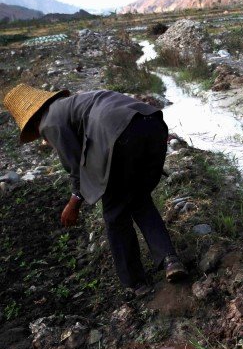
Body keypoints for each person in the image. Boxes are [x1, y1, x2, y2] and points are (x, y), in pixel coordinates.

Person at [3, 84, 187, 296]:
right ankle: (170, 260)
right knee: (139, 199)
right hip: (151, 123)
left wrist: (74, 203)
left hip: (119, 134)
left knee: (114, 214)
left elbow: (76, 168)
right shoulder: (71, 105)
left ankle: (136, 283)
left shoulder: (49, 123)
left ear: (32, 121)